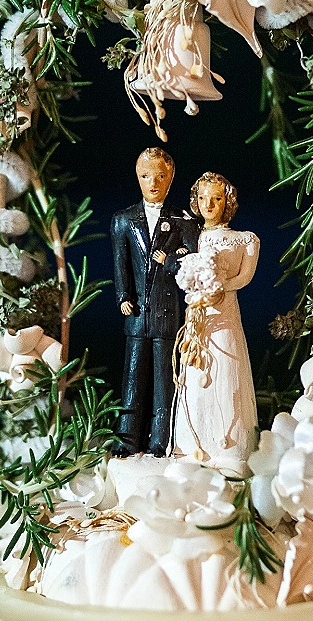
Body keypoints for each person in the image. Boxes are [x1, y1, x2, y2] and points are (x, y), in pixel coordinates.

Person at [111, 148, 200, 457]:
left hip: (166, 312)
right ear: (138, 178)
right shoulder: (123, 220)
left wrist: (170, 261)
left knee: (164, 381)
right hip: (137, 312)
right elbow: (121, 264)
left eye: (160, 176)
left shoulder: (183, 220)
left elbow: (193, 259)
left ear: (170, 179)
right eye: (146, 176)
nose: (153, 183)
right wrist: (123, 295)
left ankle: (160, 440)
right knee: (133, 378)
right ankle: (127, 438)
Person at [172, 172, 259, 477]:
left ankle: (230, 444)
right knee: (196, 369)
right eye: (203, 198)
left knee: (225, 363)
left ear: (228, 202)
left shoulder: (246, 239)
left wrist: (221, 286)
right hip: (199, 312)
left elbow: (245, 277)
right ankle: (193, 441)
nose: (209, 204)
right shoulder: (191, 234)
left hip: (224, 310)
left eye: (217, 198)